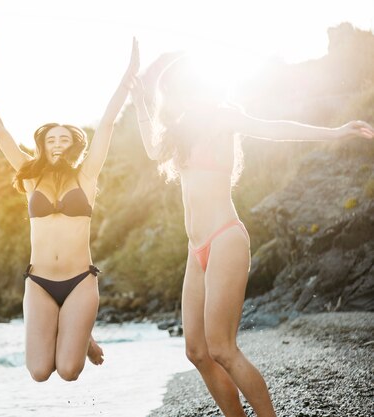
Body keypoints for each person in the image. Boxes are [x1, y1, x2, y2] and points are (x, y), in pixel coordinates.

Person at [130, 52, 373, 417]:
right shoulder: (180, 131)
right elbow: (152, 149)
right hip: (195, 249)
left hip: (225, 238)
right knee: (196, 351)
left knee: (222, 349)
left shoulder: (224, 117)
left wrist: (335, 132)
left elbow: (278, 129)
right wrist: (139, 101)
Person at [0, 38, 139, 381]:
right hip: (39, 282)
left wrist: (127, 77)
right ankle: (77, 331)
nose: (58, 144)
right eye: (51, 140)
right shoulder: (29, 178)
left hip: (80, 280)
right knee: (38, 372)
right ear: (42, 146)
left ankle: (79, 333)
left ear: (75, 147)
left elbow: (108, 123)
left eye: (65, 139)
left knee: (68, 371)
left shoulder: (87, 176)